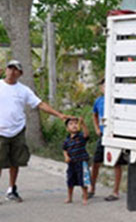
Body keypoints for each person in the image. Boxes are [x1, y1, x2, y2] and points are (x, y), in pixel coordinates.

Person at [0, 59, 67, 202]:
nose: (12, 71)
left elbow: (40, 104)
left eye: (15, 69)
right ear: (5, 70)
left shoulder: (23, 90)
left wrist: (59, 115)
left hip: (17, 130)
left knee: (15, 161)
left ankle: (12, 189)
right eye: (9, 68)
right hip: (0, 131)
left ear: (20, 73)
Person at [89, 78, 123, 201]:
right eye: (104, 87)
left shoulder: (117, 100)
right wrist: (97, 128)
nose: (106, 89)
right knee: (96, 162)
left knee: (116, 163)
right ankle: (92, 189)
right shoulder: (99, 101)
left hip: (115, 135)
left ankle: (115, 191)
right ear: (101, 88)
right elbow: (94, 115)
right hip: (103, 136)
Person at [62, 117, 91, 205]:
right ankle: (69, 197)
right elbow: (64, 149)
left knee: (83, 180)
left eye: (75, 123)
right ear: (67, 128)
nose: (74, 125)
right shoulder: (67, 140)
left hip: (81, 161)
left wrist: (83, 124)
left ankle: (85, 197)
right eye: (71, 124)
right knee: (70, 180)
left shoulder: (81, 136)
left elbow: (87, 134)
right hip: (71, 163)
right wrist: (66, 156)